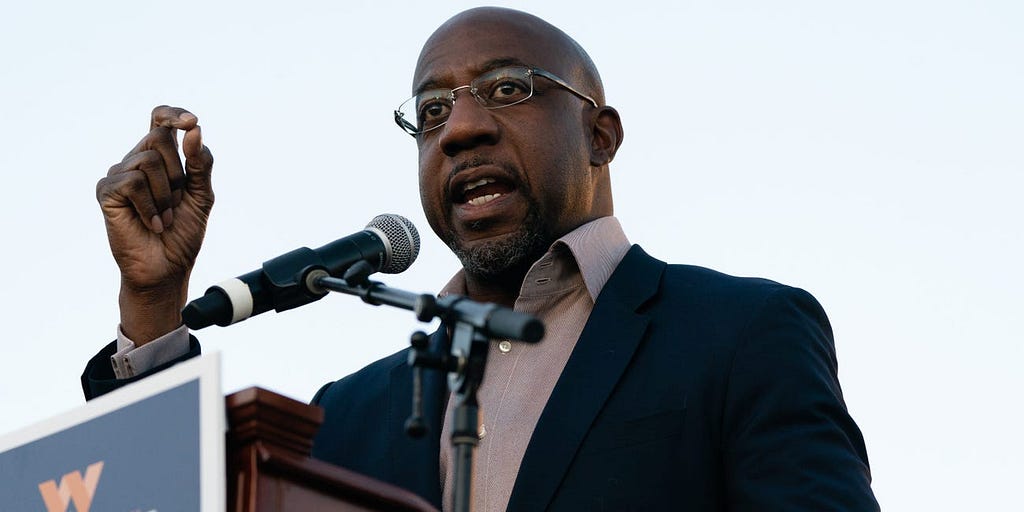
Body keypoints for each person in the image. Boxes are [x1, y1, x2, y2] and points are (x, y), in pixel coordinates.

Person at [84, 7, 879, 511]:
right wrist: (152, 305)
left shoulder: (740, 333)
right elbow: (161, 500)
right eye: (432, 112)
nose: (460, 129)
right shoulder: (348, 416)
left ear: (600, 137)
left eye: (505, 90)